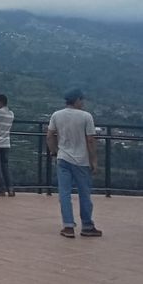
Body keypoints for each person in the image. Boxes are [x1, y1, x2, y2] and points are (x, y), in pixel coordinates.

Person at [46, 89, 102, 238]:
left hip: (63, 158)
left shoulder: (56, 115)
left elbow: (50, 136)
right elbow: (90, 140)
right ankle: (87, 226)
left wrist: (54, 151)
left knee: (64, 193)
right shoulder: (86, 116)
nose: (83, 102)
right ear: (77, 100)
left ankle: (68, 226)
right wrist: (94, 161)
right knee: (84, 193)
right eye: (81, 100)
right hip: (81, 161)